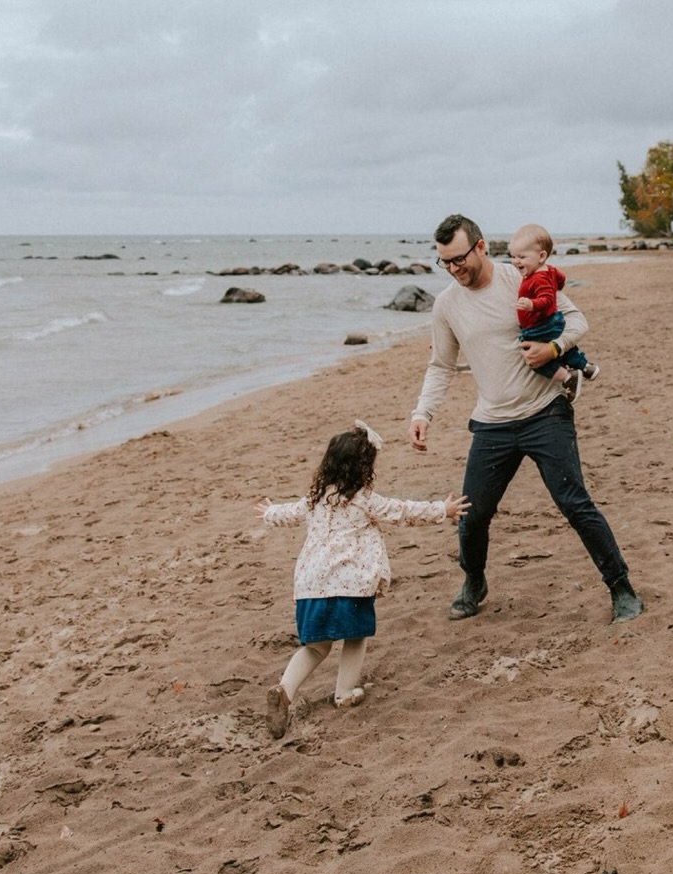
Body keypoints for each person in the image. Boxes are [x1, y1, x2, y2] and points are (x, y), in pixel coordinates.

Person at [409, 213, 643, 624]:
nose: (453, 269)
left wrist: (554, 350)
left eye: (458, 259)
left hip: (544, 413)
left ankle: (621, 587)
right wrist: (423, 412)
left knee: (574, 503)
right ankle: (474, 581)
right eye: (444, 262)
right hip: (491, 422)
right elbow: (441, 364)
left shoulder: (524, 278)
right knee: (472, 513)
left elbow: (576, 320)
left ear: (481, 247)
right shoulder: (447, 304)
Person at [258, 420, 463, 737]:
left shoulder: (315, 499)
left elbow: (287, 513)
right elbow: (402, 511)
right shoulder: (364, 499)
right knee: (355, 636)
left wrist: (270, 512)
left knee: (315, 647)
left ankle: (285, 689)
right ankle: (344, 693)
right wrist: (442, 509)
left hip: (310, 586)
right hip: (348, 584)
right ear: (363, 469)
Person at [507, 223, 599, 402]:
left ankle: (567, 377)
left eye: (522, 257)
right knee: (568, 351)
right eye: (512, 256)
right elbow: (561, 278)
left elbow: (548, 300)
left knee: (535, 360)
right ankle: (587, 368)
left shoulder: (538, 278)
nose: (515, 261)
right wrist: (558, 286)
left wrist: (531, 305)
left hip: (540, 324)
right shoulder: (549, 270)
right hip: (552, 321)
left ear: (541, 256)